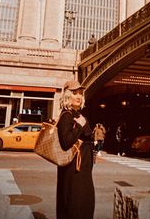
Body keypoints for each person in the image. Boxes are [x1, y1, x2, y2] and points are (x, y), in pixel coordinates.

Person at [56, 80, 95, 219]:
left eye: (80, 93)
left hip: (81, 170)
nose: (79, 96)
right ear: (67, 95)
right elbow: (66, 142)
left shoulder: (76, 115)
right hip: (73, 171)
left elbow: (88, 135)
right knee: (75, 206)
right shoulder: (67, 115)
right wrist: (79, 126)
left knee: (83, 204)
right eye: (75, 93)